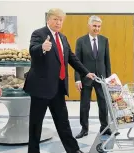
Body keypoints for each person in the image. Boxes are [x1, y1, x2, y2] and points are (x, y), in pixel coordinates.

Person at [23, 8, 96, 153]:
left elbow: (72, 58)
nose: (58, 22)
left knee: (63, 122)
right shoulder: (39, 33)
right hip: (41, 88)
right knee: (36, 124)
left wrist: (86, 72)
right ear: (48, 20)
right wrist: (42, 48)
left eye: (61, 20)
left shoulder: (62, 38)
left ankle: (73, 150)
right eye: (55, 19)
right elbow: (33, 49)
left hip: (58, 87)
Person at [74, 15, 119, 139]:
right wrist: (77, 78)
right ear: (89, 26)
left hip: (102, 79)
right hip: (86, 78)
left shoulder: (104, 40)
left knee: (103, 104)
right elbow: (76, 62)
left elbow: (107, 61)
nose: (97, 29)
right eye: (94, 26)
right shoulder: (81, 41)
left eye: (99, 26)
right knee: (84, 105)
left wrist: (109, 80)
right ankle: (84, 129)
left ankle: (105, 127)